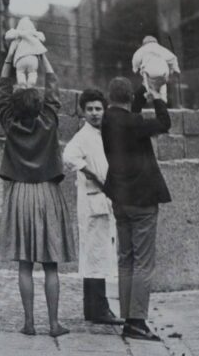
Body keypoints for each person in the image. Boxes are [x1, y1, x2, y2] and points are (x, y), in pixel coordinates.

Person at [0, 48, 76, 338]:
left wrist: (9, 58)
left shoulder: (9, 122)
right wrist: (43, 57)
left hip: (19, 194)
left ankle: (29, 323)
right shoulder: (49, 121)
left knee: (25, 265)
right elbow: (54, 91)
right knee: (51, 265)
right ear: (40, 105)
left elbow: (2, 94)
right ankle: (54, 324)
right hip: (47, 193)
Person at [101, 77, 171, 341]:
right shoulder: (135, 123)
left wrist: (143, 89)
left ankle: (128, 318)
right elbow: (165, 123)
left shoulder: (108, 119)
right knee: (143, 263)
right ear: (128, 97)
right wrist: (158, 97)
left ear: (110, 97)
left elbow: (131, 112)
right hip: (142, 199)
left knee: (126, 260)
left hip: (120, 198)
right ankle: (138, 321)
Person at [63, 89, 123, 326]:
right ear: (83, 111)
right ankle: (99, 308)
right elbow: (68, 157)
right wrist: (90, 171)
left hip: (105, 199)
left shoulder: (104, 133)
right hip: (93, 200)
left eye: (98, 109)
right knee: (95, 254)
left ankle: (93, 308)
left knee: (98, 254)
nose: (95, 113)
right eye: (90, 109)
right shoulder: (83, 136)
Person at [132, 35, 180, 103]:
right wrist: (176, 70)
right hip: (163, 73)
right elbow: (173, 58)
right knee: (163, 84)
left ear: (144, 44)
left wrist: (135, 69)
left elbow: (135, 59)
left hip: (149, 73)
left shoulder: (142, 49)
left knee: (144, 74)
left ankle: (149, 92)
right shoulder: (161, 49)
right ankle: (163, 98)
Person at [4, 16, 47, 87]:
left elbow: (11, 50)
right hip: (32, 58)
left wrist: (10, 56)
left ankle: (22, 84)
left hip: (20, 58)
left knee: (20, 72)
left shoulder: (18, 36)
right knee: (32, 72)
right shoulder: (33, 35)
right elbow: (42, 38)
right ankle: (31, 83)